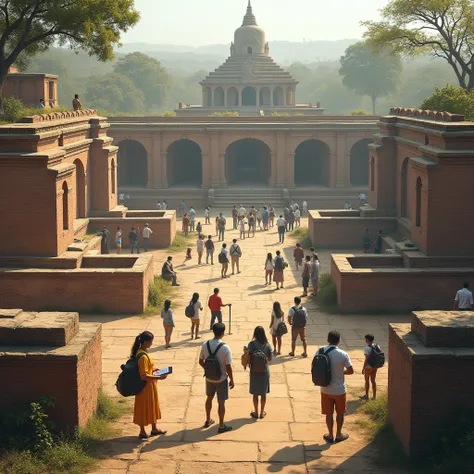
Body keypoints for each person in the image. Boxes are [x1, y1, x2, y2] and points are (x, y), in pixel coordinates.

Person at [131, 331, 167, 439]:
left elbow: (147, 369)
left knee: (152, 406)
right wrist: (159, 377)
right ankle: (142, 431)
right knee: (144, 408)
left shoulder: (142, 351)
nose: (152, 344)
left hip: (150, 387)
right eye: (151, 342)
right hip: (145, 388)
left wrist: (156, 370)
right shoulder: (142, 356)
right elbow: (143, 375)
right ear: (146, 342)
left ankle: (154, 428)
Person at [319, 331, 354, 444]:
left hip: (325, 388)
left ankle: (330, 434)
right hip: (339, 390)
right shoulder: (343, 354)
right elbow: (351, 370)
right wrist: (341, 372)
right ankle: (339, 434)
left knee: (329, 414)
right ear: (339, 341)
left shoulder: (320, 351)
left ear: (328, 340)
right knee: (340, 413)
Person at [199, 323, 234, 433]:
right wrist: (232, 379)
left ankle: (208, 419)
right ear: (223, 333)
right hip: (221, 379)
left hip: (209, 378)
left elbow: (201, 361)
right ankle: (221, 425)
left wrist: (208, 369)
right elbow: (228, 366)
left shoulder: (205, 344)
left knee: (209, 398)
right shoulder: (225, 348)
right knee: (221, 402)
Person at [246, 326, 273, 419]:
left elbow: (248, 358)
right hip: (264, 371)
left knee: (255, 393)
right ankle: (262, 412)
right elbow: (270, 358)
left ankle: (256, 412)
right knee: (263, 393)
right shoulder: (267, 345)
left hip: (254, 371)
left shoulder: (251, 344)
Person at [360, 334, 379, 400]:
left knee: (367, 380)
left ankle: (366, 395)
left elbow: (367, 359)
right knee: (373, 381)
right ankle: (374, 396)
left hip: (368, 367)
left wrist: (363, 368)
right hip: (375, 366)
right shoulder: (377, 346)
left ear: (367, 340)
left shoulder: (367, 348)